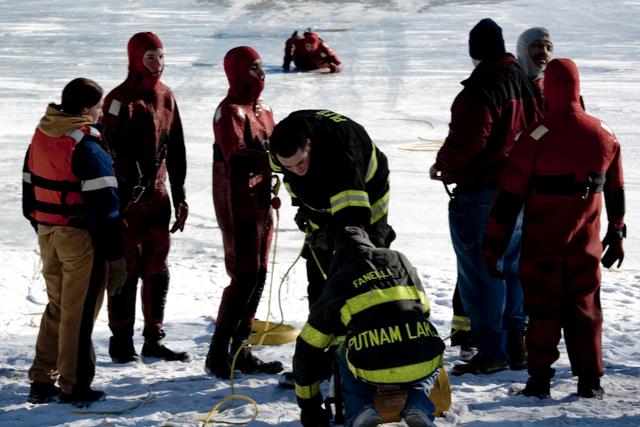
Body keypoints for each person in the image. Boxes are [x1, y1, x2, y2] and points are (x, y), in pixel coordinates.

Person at [483, 58, 626, 399]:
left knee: (543, 309)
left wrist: (493, 246)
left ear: (550, 88)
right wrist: (617, 232)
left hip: (543, 245)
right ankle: (590, 381)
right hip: (585, 245)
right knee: (586, 308)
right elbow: (616, 188)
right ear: (578, 87)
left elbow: (508, 198)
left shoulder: (535, 136)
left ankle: (539, 380)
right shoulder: (603, 133)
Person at [429, 18, 542, 376]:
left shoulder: (479, 91)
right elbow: (540, 127)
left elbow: (469, 141)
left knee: (482, 272)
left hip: (482, 193)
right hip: (519, 191)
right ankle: (515, 344)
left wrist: (443, 164)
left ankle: (492, 350)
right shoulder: (524, 82)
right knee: (511, 267)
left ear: (474, 53)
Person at [22, 78, 126, 407]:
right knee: (77, 313)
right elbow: (105, 205)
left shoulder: (43, 133)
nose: (99, 114)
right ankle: (75, 383)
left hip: (48, 232)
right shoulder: (85, 143)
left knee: (57, 306)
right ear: (84, 109)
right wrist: (115, 254)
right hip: (79, 237)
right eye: (97, 108)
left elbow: (28, 184)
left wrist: (42, 224)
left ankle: (42, 377)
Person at [293, 226, 445, 427]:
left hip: (372, 366)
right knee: (423, 346)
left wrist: (309, 406)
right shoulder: (399, 259)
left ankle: (361, 409)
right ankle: (418, 402)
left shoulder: (339, 279)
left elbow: (308, 347)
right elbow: (423, 309)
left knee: (341, 349)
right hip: (423, 359)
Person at [101, 32, 189, 363]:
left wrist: (179, 193)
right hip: (127, 202)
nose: (158, 63)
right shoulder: (118, 99)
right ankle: (121, 341)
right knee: (126, 269)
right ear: (135, 58)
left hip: (159, 197)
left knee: (157, 268)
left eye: (161, 56)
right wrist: (117, 200)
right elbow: (105, 153)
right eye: (150, 56)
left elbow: (176, 148)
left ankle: (154, 338)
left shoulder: (166, 97)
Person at [205, 46, 283, 379]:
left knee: (260, 273)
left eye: (261, 66)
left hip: (261, 202)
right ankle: (217, 352)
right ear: (237, 73)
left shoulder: (262, 109)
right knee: (244, 277)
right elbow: (235, 154)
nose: (260, 72)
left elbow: (277, 145)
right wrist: (277, 159)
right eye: (253, 67)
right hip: (237, 203)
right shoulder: (229, 112)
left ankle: (242, 349)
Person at [269, 109, 395, 307]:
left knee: (364, 255)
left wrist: (348, 240)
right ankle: (322, 317)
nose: (297, 170)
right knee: (319, 254)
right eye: (289, 166)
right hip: (324, 183)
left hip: (367, 187)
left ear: (309, 144)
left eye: (300, 162)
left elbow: (353, 213)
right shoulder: (279, 152)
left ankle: (369, 317)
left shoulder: (340, 153)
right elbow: (293, 181)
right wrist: (303, 208)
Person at [516, 27, 554, 96]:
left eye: (549, 48)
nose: (544, 52)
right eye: (537, 45)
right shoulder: (508, 82)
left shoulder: (552, 85)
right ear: (523, 49)